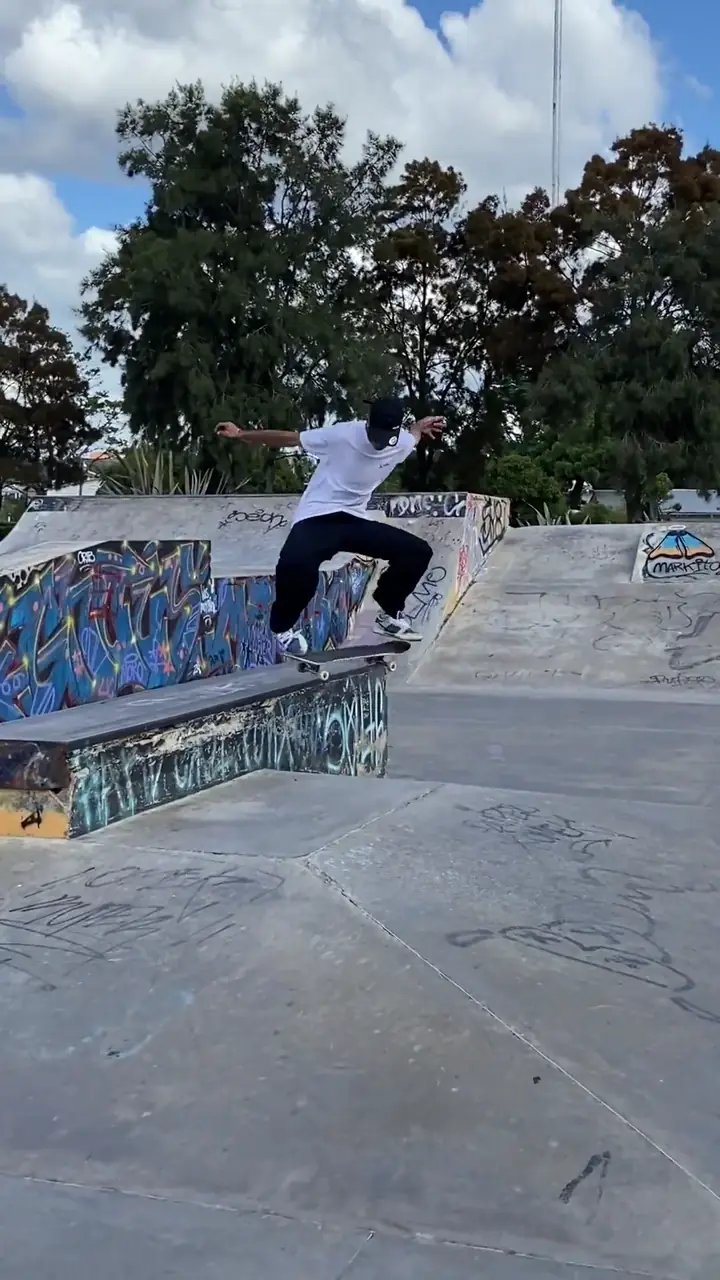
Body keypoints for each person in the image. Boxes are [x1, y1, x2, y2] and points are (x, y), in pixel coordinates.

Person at [216, 399, 445, 655]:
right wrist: (241, 434)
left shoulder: (401, 442)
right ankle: (282, 628)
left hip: (353, 520)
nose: (378, 444)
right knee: (296, 565)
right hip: (317, 516)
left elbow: (413, 435)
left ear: (396, 432)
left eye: (385, 439)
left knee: (417, 551)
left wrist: (418, 427)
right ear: (368, 425)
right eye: (375, 437)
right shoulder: (342, 434)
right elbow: (290, 438)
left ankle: (389, 613)